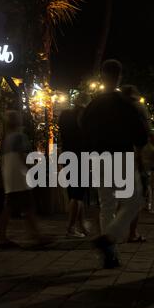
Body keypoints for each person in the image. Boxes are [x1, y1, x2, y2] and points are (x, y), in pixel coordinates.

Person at [81, 60, 148, 268]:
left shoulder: (93, 105)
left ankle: (111, 254)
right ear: (119, 76)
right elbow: (141, 136)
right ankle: (109, 238)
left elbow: (83, 128)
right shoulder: (125, 103)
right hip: (121, 156)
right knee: (134, 201)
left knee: (106, 205)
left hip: (99, 157)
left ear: (102, 76)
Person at [0, 110, 50, 248]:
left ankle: (2, 237)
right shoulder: (20, 137)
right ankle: (37, 236)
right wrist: (32, 167)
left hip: (10, 176)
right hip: (20, 176)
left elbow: (3, 159)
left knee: (9, 206)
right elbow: (22, 155)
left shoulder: (6, 139)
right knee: (28, 206)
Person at [121, 84, 150, 242]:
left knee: (116, 197)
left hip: (116, 154)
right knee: (135, 197)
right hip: (135, 155)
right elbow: (145, 132)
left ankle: (115, 230)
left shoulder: (116, 108)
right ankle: (132, 232)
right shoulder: (138, 108)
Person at [58, 93, 89, 237]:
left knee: (74, 193)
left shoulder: (64, 115)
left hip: (67, 155)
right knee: (78, 194)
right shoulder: (83, 118)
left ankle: (81, 224)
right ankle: (71, 227)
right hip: (80, 156)